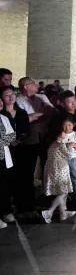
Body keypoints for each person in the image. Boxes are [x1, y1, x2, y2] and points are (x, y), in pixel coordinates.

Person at [41, 117, 76, 223]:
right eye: (63, 129)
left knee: (62, 192)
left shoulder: (54, 143)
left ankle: (63, 213)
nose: (66, 131)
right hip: (59, 169)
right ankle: (49, 212)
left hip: (54, 168)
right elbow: (69, 155)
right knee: (63, 192)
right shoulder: (60, 143)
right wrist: (70, 146)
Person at [0, 86, 29, 220]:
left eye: (13, 94)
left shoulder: (15, 114)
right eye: (7, 95)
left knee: (12, 181)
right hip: (6, 151)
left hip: (14, 151)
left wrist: (13, 140)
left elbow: (12, 135)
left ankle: (13, 208)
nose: (11, 97)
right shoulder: (3, 115)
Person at [0, 97, 17, 228]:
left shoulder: (4, 118)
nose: (0, 103)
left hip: (3, 157)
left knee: (4, 186)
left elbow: (12, 135)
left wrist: (1, 140)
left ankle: (5, 212)